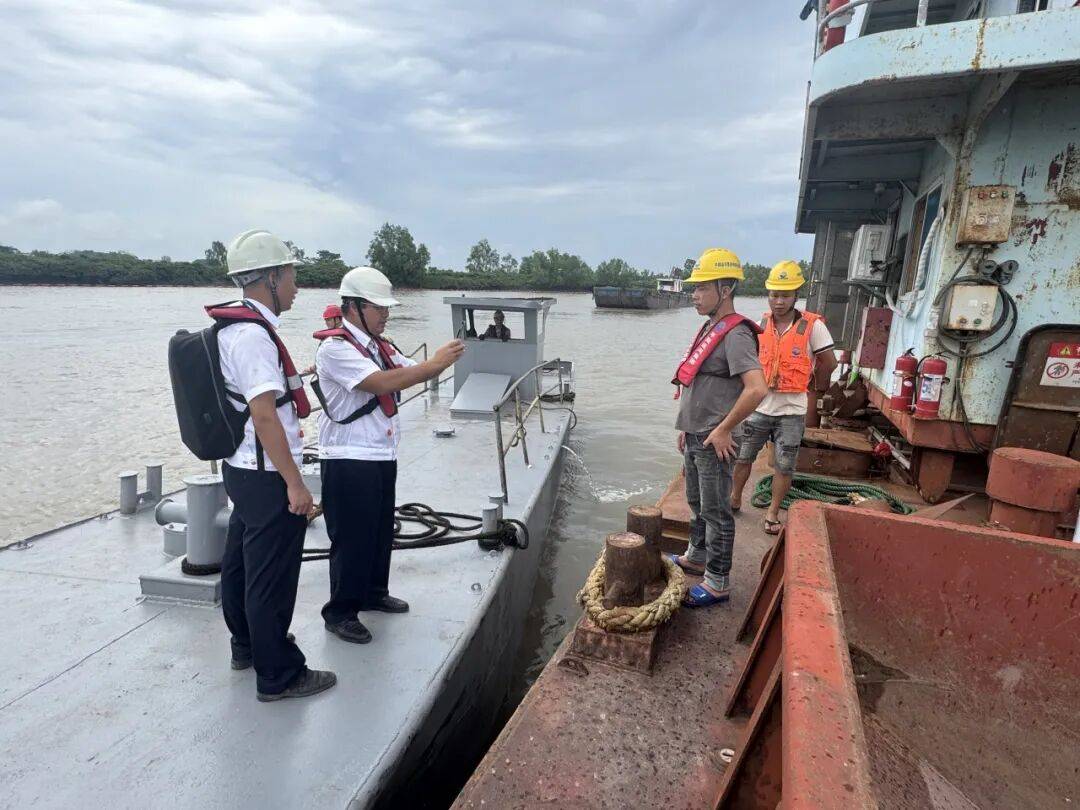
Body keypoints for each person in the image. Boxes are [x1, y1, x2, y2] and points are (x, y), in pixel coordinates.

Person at [215, 228, 336, 702]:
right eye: (290, 276)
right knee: (271, 575)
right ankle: (278, 674)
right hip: (266, 474)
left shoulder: (236, 328)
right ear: (269, 278)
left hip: (242, 467)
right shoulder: (253, 336)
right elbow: (264, 415)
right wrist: (295, 485)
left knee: (241, 564)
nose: (296, 287)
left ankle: (246, 646)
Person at [313, 266, 465, 643]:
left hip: (380, 453)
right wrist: (436, 363)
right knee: (352, 537)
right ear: (353, 307)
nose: (385, 314)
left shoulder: (380, 346)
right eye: (378, 307)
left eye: (386, 308)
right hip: (348, 457)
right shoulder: (335, 349)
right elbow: (380, 382)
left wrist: (437, 363)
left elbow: (410, 370)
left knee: (379, 530)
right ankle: (340, 612)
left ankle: (373, 592)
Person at [670, 248, 767, 608]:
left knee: (716, 512)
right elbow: (701, 384)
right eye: (694, 288)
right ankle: (696, 557)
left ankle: (717, 581)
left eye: (701, 288)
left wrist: (725, 429)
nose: (694, 295)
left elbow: (757, 389)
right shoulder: (710, 327)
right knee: (697, 504)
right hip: (697, 434)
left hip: (715, 439)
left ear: (725, 290)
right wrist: (687, 426)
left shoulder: (736, 334)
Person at [730, 260, 837, 535]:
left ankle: (772, 512)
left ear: (796, 295)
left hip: (792, 410)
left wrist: (814, 384)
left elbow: (829, 362)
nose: (778, 301)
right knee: (743, 457)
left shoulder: (813, 326)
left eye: (785, 295)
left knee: (784, 466)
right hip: (758, 407)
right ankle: (734, 499)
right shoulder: (760, 324)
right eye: (774, 295)